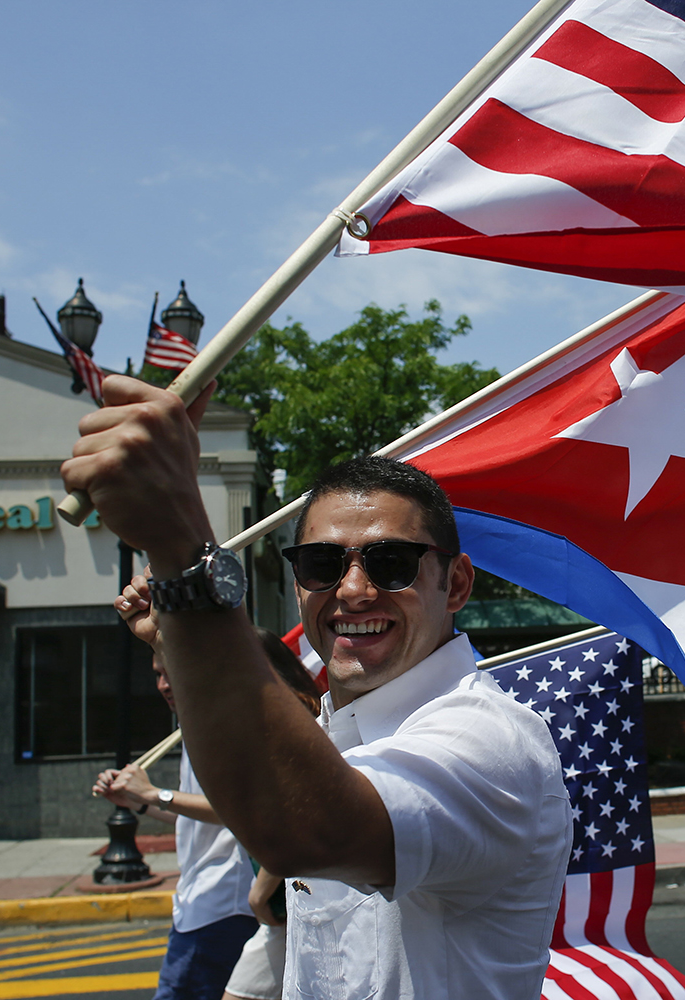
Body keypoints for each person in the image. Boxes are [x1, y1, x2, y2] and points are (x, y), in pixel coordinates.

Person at [64, 375, 572, 998]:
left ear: (457, 585)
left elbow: (304, 829)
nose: (353, 590)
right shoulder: (335, 732)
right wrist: (175, 637)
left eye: (391, 563)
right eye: (322, 564)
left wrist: (182, 552)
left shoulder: (490, 738)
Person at [96, 624, 321, 1000]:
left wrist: (154, 793)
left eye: (173, 672)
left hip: (225, 902)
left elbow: (250, 808)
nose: (165, 684)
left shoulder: (243, 728)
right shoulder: (199, 726)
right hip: (201, 902)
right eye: (157, 675)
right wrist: (140, 802)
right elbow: (200, 816)